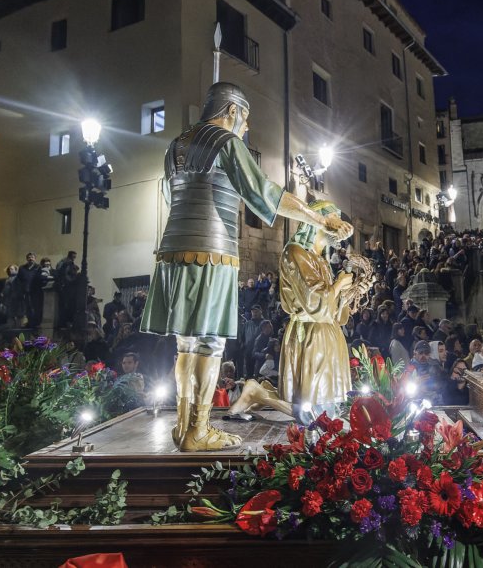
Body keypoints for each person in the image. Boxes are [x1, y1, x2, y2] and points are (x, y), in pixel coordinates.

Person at [140, 82, 349, 451]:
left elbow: (169, 194)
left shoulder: (175, 146)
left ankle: (184, 428)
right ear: (232, 111)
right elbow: (264, 193)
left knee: (186, 345)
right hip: (211, 253)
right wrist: (319, 220)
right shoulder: (225, 142)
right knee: (208, 342)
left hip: (173, 251)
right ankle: (200, 431)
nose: (245, 128)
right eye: (245, 119)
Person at [232, 200, 360, 422]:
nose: (339, 225)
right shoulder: (295, 252)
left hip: (328, 335)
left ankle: (259, 393)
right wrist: (338, 285)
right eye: (334, 218)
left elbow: (335, 313)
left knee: (326, 413)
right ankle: (259, 393)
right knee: (314, 415)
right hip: (311, 335)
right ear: (316, 220)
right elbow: (314, 301)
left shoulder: (322, 260)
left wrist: (349, 293)